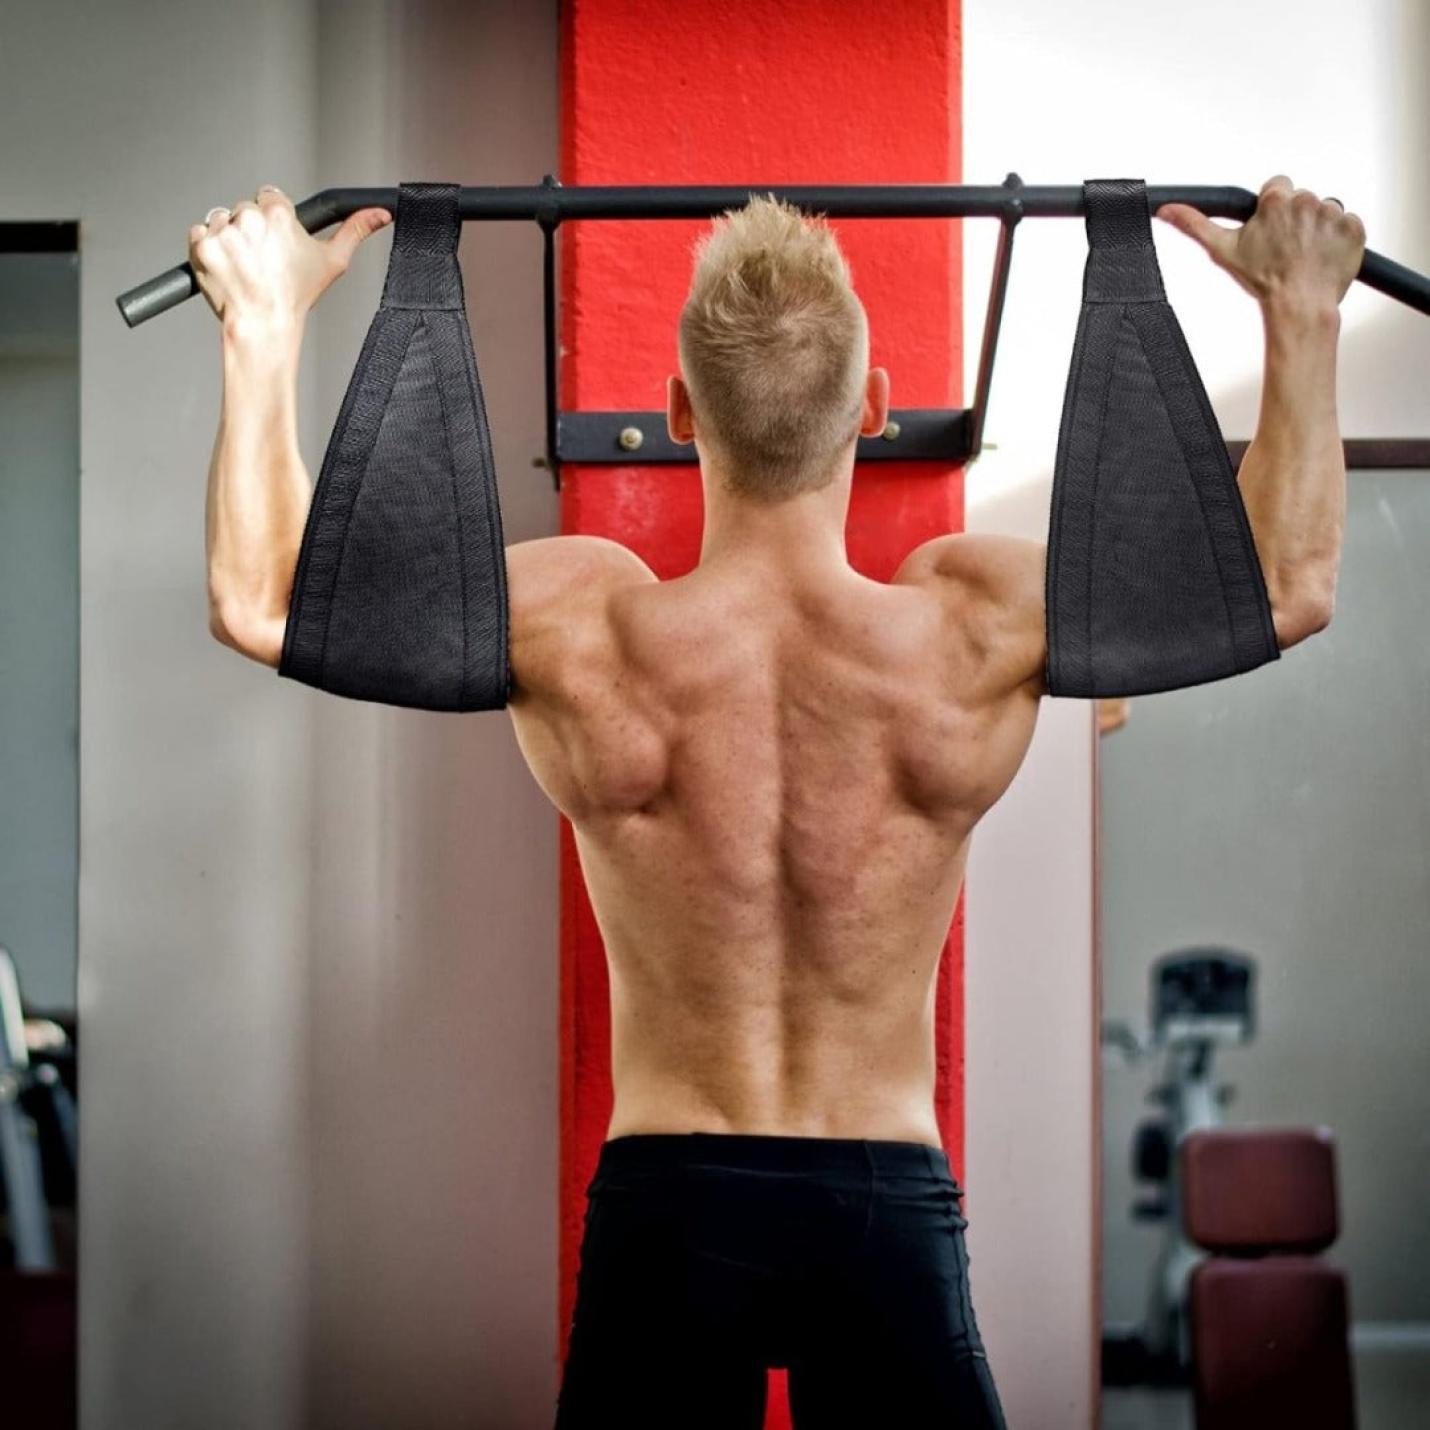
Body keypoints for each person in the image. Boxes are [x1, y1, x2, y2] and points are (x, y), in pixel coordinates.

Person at [188, 175, 1364, 1427]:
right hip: (883, 1203)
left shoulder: (589, 624)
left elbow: (258, 601)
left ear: (681, 411)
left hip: (667, 1204)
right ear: (870, 407)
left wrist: (260, 327)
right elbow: (1285, 585)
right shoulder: (967, 622)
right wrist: (1300, 312)